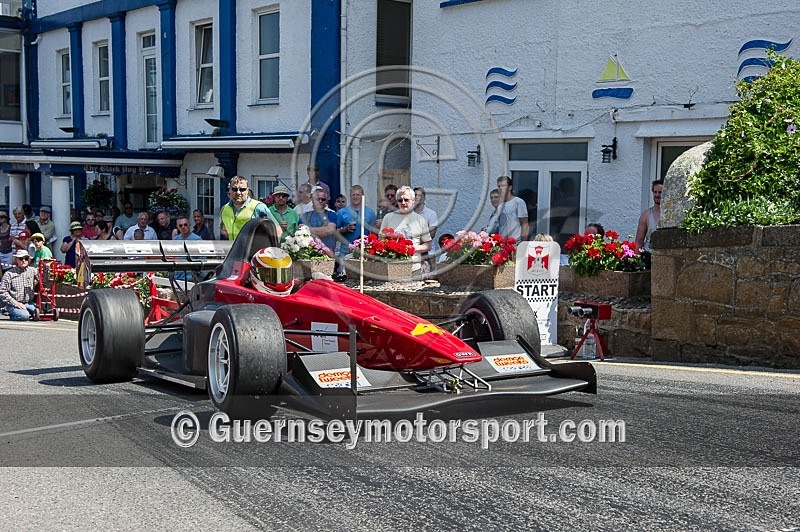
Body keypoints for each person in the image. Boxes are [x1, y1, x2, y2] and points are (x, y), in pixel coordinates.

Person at [380, 185, 432, 273]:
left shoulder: (420, 220)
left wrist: (411, 248)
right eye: (400, 200)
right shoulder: (388, 218)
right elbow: (381, 240)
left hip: (414, 269)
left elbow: (427, 245)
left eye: (406, 200)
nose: (403, 203)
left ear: (413, 201)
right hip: (392, 268)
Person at [220, 175, 280, 242]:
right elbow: (223, 229)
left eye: (242, 189)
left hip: (255, 248)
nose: (238, 192)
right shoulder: (224, 209)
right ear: (229, 191)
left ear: (247, 191)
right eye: (234, 189)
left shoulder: (259, 207)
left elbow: (278, 230)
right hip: (233, 247)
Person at [336, 185, 376, 277]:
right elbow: (335, 232)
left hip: (364, 252)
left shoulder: (370, 213)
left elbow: (373, 234)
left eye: (358, 195)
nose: (355, 197)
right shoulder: (342, 212)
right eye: (353, 195)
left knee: (363, 278)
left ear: (363, 196)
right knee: (344, 277)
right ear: (350, 196)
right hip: (345, 251)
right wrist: (345, 230)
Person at [0, 249, 39, 321]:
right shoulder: (9, 274)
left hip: (28, 303)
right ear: (16, 260)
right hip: (13, 304)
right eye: (21, 258)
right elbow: (2, 292)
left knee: (39, 314)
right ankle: (8, 311)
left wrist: (46, 267)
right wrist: (16, 303)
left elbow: (44, 281)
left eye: (26, 258)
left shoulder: (33, 271)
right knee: (24, 316)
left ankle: (23, 313)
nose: (24, 260)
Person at [300, 188, 336, 257]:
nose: (320, 201)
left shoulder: (331, 214)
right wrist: (322, 230)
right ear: (312, 199)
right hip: (309, 254)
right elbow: (300, 234)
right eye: (317, 199)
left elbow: (330, 230)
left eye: (323, 199)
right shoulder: (305, 216)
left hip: (328, 255)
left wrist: (307, 230)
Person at [635, 179, 663, 267]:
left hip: (666, 257)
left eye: (660, 192)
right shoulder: (645, 215)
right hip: (649, 258)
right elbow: (638, 242)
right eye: (655, 192)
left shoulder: (671, 215)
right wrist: (635, 263)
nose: (657, 195)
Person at [494, 175, 529, 241]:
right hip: (502, 243)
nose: (500, 188)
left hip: (515, 242)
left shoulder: (518, 202)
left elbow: (524, 224)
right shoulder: (500, 205)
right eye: (499, 186)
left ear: (510, 187)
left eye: (503, 186)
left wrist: (523, 243)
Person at [413, 187, 439, 268]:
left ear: (424, 198)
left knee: (430, 274)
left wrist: (414, 241)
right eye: (415, 195)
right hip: (413, 253)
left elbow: (432, 234)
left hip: (428, 253)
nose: (417, 197)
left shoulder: (431, 214)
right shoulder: (409, 214)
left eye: (419, 195)